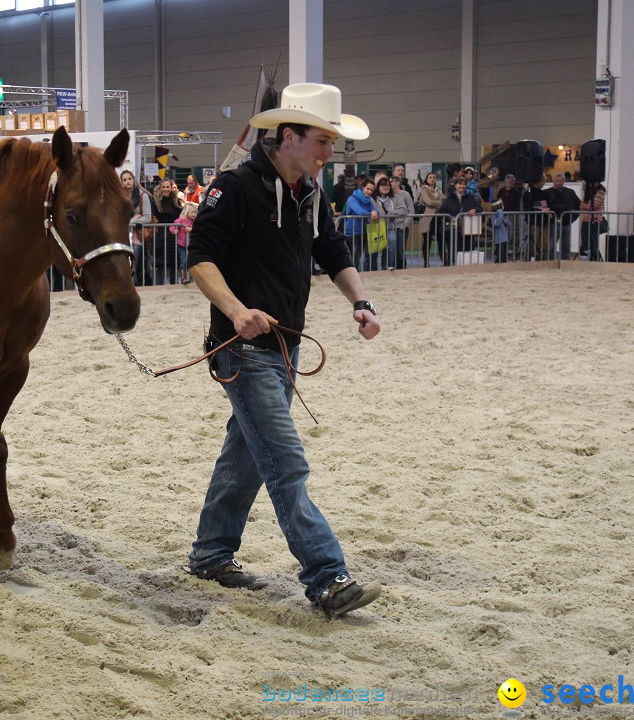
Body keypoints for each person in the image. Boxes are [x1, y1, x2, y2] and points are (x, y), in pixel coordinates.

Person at [184, 82, 382, 619]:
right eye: (322, 142)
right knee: (285, 462)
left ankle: (209, 555)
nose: (328, 154)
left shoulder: (311, 194)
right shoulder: (236, 187)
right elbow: (200, 257)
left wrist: (360, 301)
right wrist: (235, 310)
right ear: (289, 136)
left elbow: (331, 248)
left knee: (247, 457)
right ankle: (325, 576)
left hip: (286, 348)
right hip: (243, 349)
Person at [438, 177, 480, 265]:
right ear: (456, 186)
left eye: (464, 184)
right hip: (453, 230)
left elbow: (480, 208)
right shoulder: (449, 198)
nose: (462, 186)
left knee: (467, 250)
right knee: (453, 250)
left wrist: (475, 210)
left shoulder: (470, 198)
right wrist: (450, 217)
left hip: (467, 230)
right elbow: (441, 211)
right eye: (460, 184)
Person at [122, 169, 152, 286]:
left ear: (134, 180)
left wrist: (131, 222)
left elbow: (147, 217)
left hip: (138, 234)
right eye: (124, 180)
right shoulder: (120, 196)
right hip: (123, 234)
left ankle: (134, 284)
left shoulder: (142, 195)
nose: (128, 182)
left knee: (136, 259)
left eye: (129, 179)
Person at [342, 177, 379, 271]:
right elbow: (359, 212)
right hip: (351, 233)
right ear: (362, 187)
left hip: (363, 232)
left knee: (358, 257)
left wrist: (374, 213)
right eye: (368, 189)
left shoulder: (369, 201)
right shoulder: (351, 199)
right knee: (353, 258)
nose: (369, 191)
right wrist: (371, 214)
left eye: (371, 190)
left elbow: (377, 212)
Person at [153, 178, 183, 285]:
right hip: (161, 236)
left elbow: (181, 216)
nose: (166, 189)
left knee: (175, 262)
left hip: (175, 236)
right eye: (164, 187)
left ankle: (174, 285)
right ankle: (160, 286)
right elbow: (154, 218)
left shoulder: (176, 201)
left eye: (168, 187)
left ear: (171, 188)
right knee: (161, 263)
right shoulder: (155, 202)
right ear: (160, 189)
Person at [544, 173, 581, 260]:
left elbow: (578, 206)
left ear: (564, 181)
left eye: (560, 181)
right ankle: (550, 262)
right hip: (552, 223)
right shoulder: (547, 192)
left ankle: (565, 263)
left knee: (566, 246)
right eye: (556, 181)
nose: (558, 183)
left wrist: (573, 218)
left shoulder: (570, 192)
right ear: (553, 181)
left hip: (566, 223)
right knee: (551, 245)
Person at [387, 175, 415, 270]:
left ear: (398, 183)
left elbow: (411, 211)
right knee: (392, 250)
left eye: (392, 182)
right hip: (391, 226)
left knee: (400, 251)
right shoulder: (389, 195)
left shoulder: (405, 194)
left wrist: (405, 224)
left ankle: (402, 269)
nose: (390, 184)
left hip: (402, 227)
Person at [418, 172, 444, 267]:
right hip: (428, 218)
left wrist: (436, 202)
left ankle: (445, 262)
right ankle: (426, 263)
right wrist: (438, 202)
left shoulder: (438, 190)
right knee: (427, 241)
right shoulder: (424, 189)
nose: (432, 179)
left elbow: (443, 201)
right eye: (430, 177)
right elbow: (428, 202)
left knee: (441, 240)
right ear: (427, 179)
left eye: (434, 177)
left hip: (438, 218)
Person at [170, 202, 198, 284]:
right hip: (182, 244)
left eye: (195, 212)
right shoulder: (181, 220)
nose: (194, 214)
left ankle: (192, 277)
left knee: (193, 260)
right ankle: (183, 276)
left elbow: (199, 229)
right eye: (192, 212)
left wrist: (191, 229)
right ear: (186, 212)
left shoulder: (195, 222)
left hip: (192, 244)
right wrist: (173, 230)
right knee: (184, 260)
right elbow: (172, 226)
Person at [579, 179, 606, 261]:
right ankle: (586, 260)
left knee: (593, 244)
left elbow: (594, 205)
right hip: (586, 220)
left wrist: (580, 204)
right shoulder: (589, 191)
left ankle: (594, 260)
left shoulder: (601, 191)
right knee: (585, 244)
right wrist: (585, 205)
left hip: (595, 220)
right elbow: (588, 206)